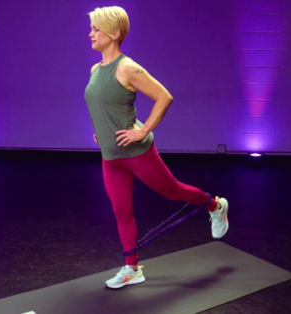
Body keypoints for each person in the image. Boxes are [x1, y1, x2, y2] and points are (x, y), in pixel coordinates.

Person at [84, 6, 229, 289]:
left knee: (173, 191)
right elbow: (103, 105)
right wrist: (99, 132)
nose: (91, 34)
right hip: (111, 156)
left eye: (96, 29)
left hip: (137, 153)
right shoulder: (94, 69)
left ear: (114, 33)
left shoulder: (127, 67)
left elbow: (164, 97)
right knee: (121, 211)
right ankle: (132, 269)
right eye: (91, 28)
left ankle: (215, 206)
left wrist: (144, 130)